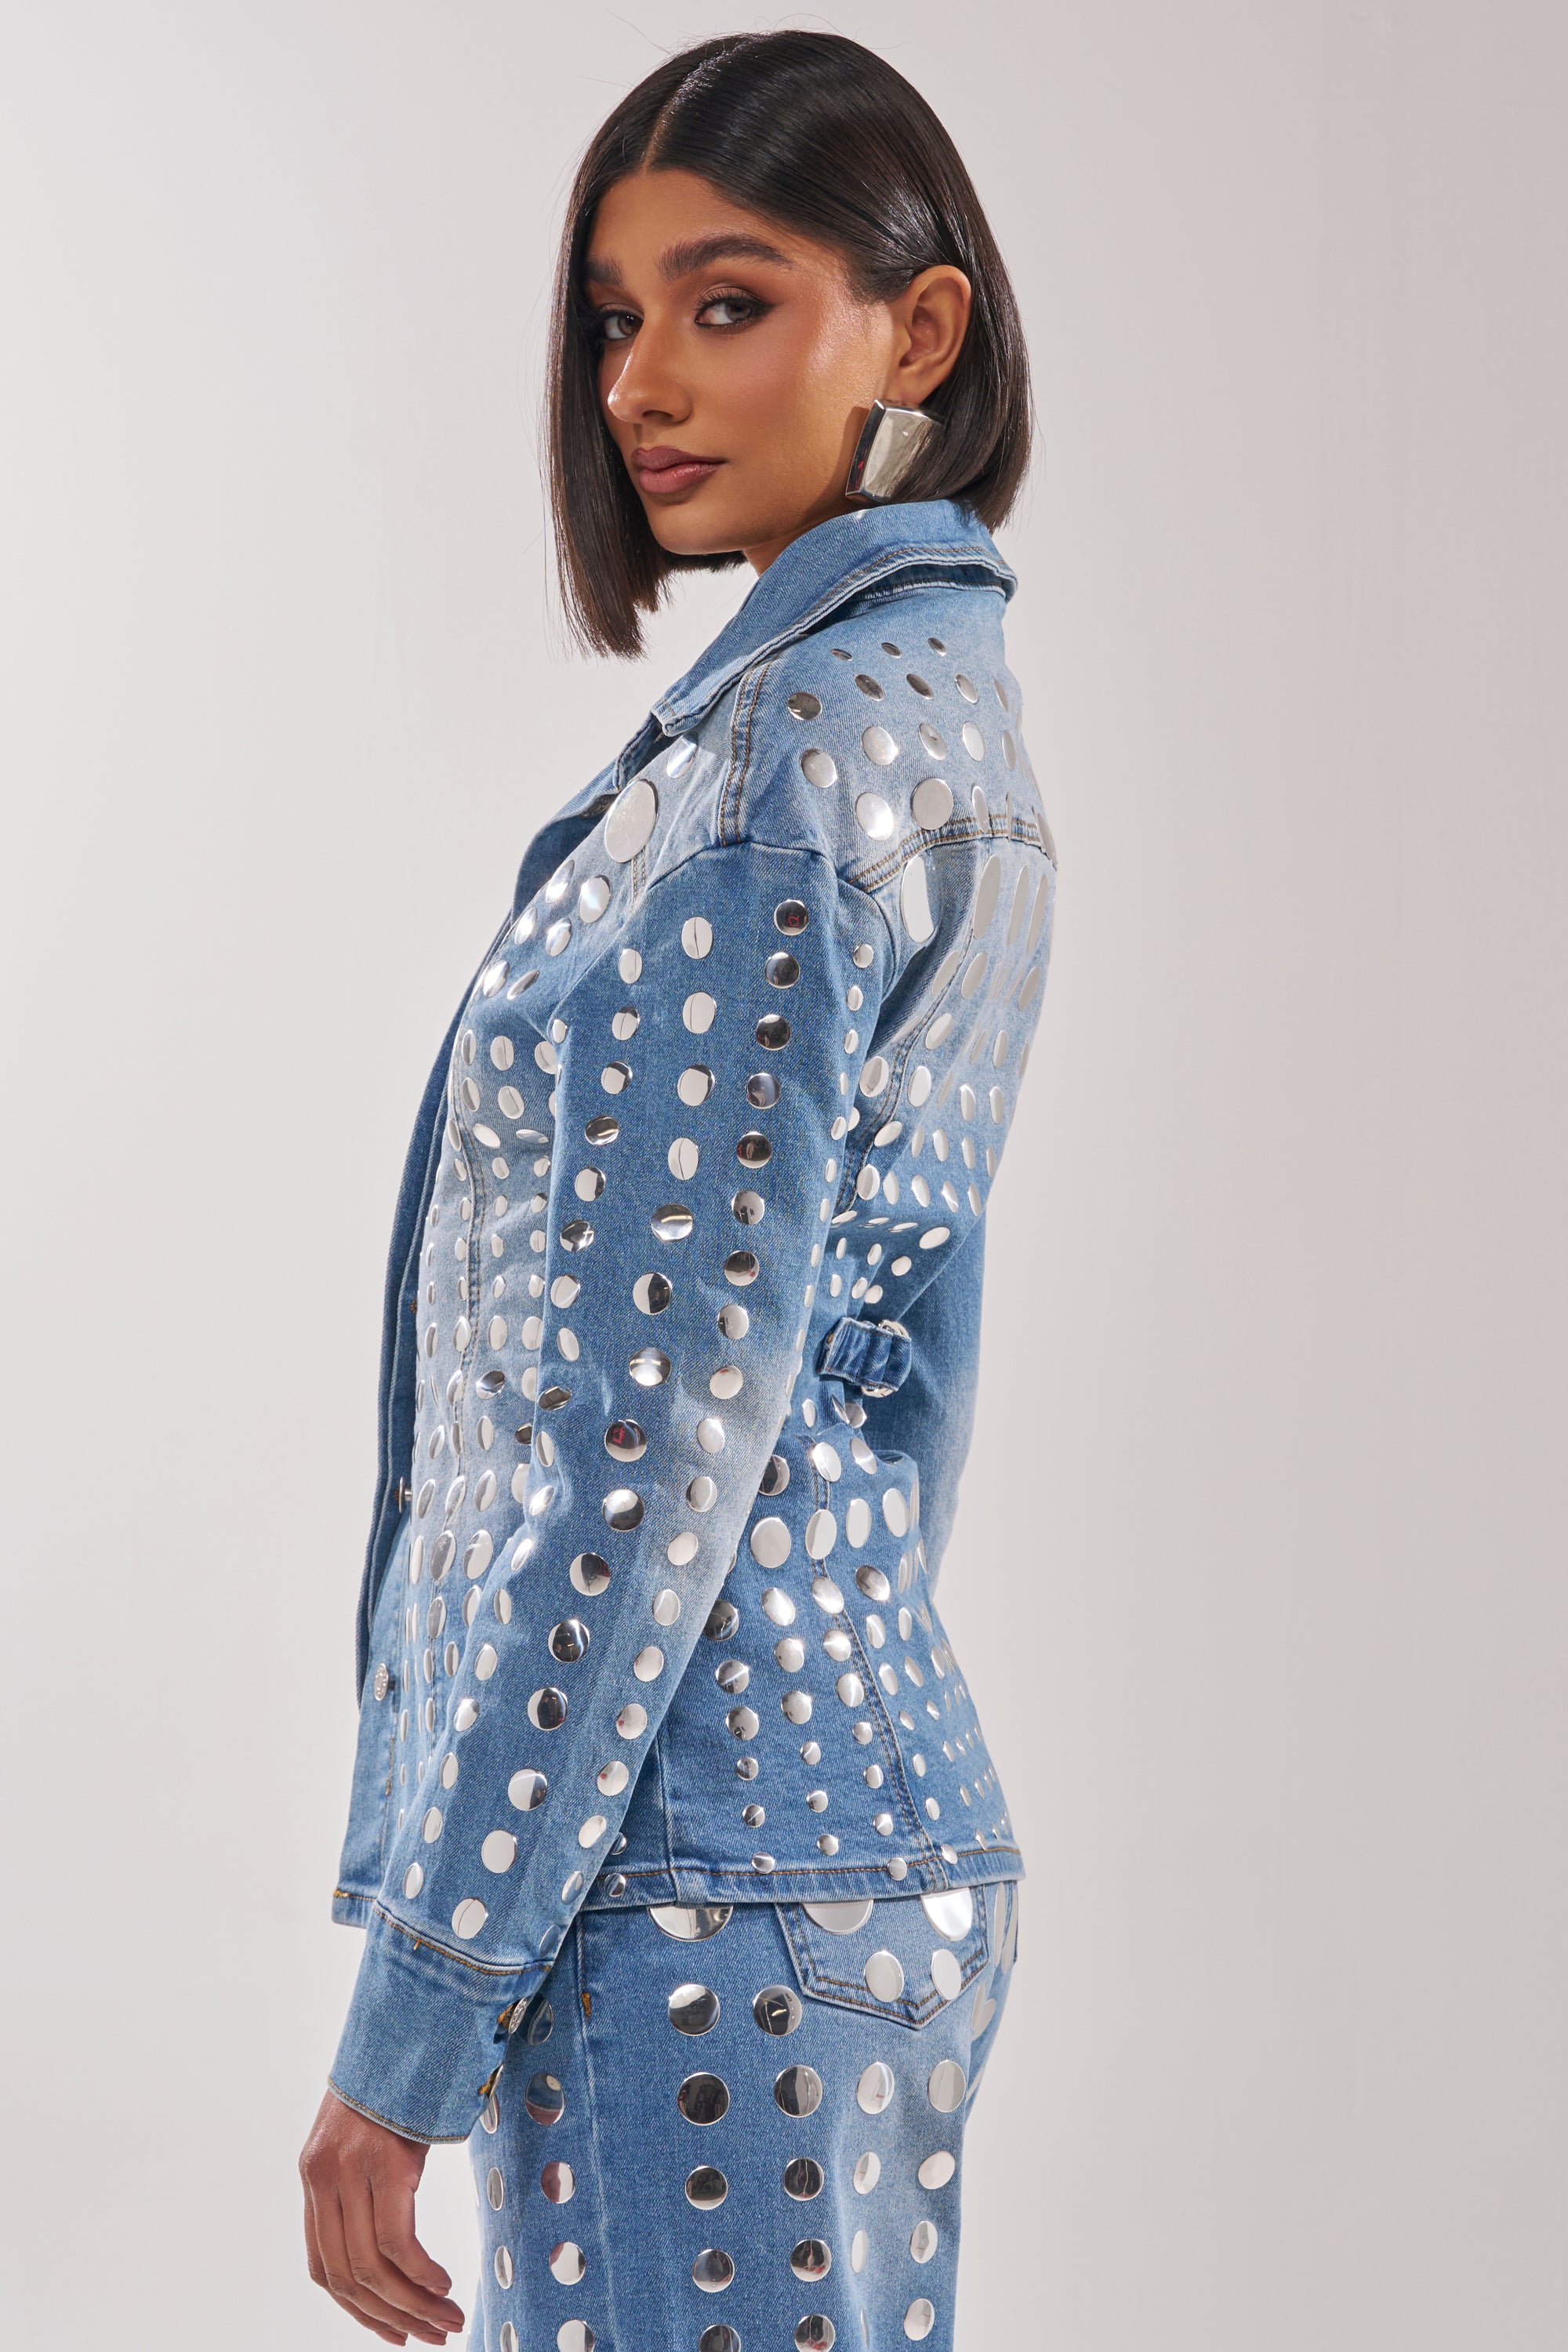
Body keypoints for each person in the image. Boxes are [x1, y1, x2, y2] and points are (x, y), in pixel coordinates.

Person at [299, 31, 1054, 2352]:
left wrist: (415, 2018)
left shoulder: (773, 773)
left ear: (917, 332)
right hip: (848, 1834)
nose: (642, 381)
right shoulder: (945, 717)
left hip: (694, 1901)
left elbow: (648, 1450)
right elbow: (901, 1371)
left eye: (731, 304)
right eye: (617, 318)